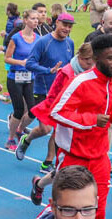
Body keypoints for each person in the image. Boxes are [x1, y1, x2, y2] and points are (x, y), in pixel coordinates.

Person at [46, 34, 112, 219]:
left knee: (97, 212)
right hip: (74, 156)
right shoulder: (81, 82)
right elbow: (56, 112)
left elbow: (104, 111)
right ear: (96, 59)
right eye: (110, 58)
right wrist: (92, 120)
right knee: (65, 209)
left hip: (100, 157)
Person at [29, 43, 95, 205]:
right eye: (87, 60)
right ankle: (56, 204)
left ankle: (40, 185)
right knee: (66, 172)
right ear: (79, 57)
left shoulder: (93, 73)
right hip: (67, 128)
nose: (91, 64)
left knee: (78, 170)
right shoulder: (66, 73)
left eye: (93, 60)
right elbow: (53, 99)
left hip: (84, 127)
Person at [17, 12, 76, 170]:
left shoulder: (70, 43)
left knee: (58, 130)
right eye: (64, 25)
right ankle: (26, 139)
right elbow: (29, 63)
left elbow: (71, 66)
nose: (67, 29)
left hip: (61, 92)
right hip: (43, 90)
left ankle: (48, 162)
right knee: (45, 129)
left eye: (69, 26)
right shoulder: (43, 42)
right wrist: (48, 71)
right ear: (56, 23)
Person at [4, 9, 38, 150]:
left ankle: (19, 130)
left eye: (37, 18)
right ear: (25, 20)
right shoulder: (16, 38)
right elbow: (7, 58)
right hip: (15, 78)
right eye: (33, 18)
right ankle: (10, 138)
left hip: (30, 78)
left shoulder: (38, 38)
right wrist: (21, 62)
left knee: (33, 110)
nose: (36, 21)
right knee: (18, 110)